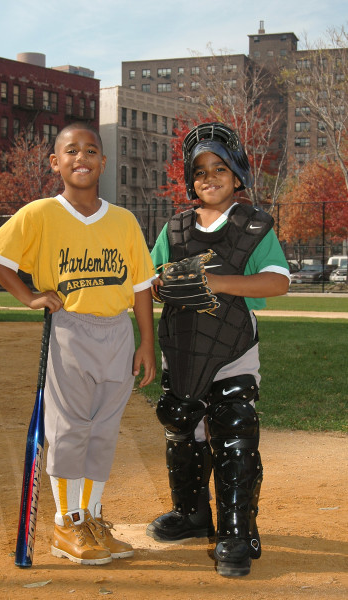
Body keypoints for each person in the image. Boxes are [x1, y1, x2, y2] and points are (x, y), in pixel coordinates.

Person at [0, 122, 156, 566]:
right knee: (70, 428)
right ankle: (66, 522)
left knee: (104, 428)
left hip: (117, 330)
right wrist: (28, 295)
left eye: (91, 150)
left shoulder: (124, 220)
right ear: (56, 163)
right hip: (70, 328)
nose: (82, 158)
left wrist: (147, 343)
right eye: (71, 151)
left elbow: (140, 286)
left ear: (103, 161)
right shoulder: (40, 213)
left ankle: (92, 518)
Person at [147, 122, 290, 577]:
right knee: (182, 427)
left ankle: (235, 531)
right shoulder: (175, 228)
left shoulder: (254, 225)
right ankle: (191, 514)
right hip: (182, 349)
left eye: (220, 168)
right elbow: (149, 282)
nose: (209, 177)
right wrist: (165, 283)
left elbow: (278, 280)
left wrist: (214, 281)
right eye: (200, 170)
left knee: (234, 433)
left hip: (233, 351)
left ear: (238, 175)